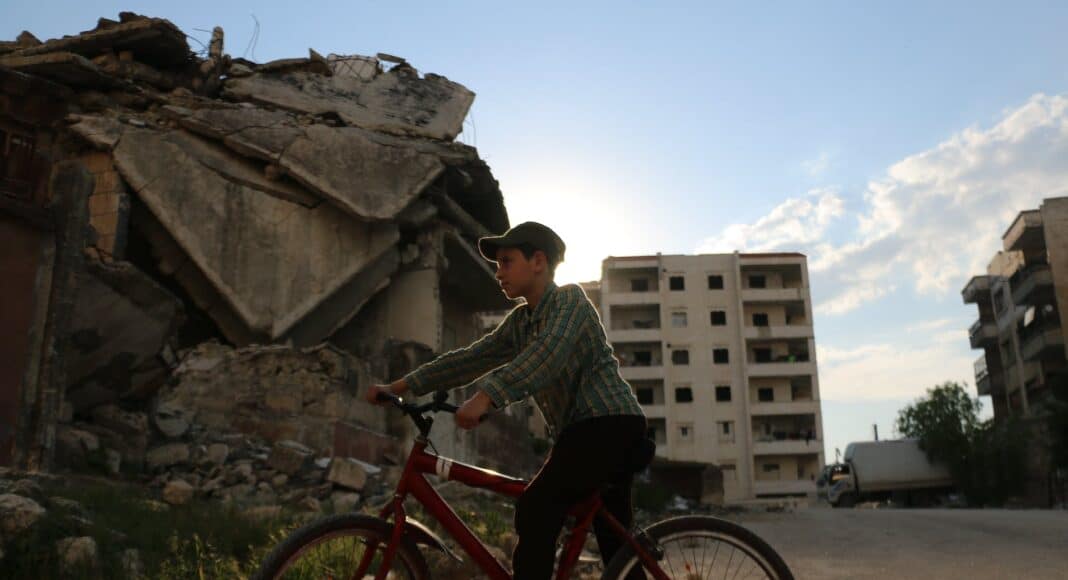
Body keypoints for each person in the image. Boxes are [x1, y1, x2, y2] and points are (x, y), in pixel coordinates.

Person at [365, 221, 647, 580]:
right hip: (582, 434)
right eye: (497, 264)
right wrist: (399, 385)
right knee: (616, 547)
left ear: (538, 262)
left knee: (536, 507)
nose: (498, 273)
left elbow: (547, 355)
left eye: (506, 261)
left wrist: (487, 397)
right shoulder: (520, 322)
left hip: (609, 424)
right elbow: (469, 359)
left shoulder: (569, 300)